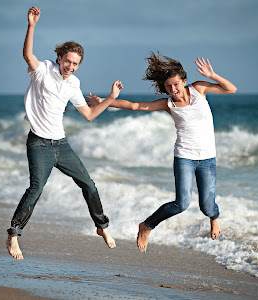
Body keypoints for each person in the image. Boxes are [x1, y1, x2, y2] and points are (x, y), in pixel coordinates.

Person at [87, 52, 237, 252]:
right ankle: (147, 226)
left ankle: (214, 218)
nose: (173, 89)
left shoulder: (199, 88)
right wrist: (105, 101)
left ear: (183, 81)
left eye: (176, 84)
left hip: (208, 158)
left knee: (207, 207)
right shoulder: (168, 104)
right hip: (184, 157)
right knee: (182, 203)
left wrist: (213, 75)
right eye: (168, 86)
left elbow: (231, 89)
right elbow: (134, 106)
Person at [6, 7, 123, 260]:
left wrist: (111, 98)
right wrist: (32, 26)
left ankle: (102, 227)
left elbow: (89, 115)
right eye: (67, 61)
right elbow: (28, 55)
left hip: (61, 144)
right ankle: (14, 235)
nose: (70, 66)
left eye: (75, 63)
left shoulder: (74, 84)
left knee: (88, 184)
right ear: (59, 57)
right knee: (35, 189)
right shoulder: (43, 71)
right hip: (39, 144)